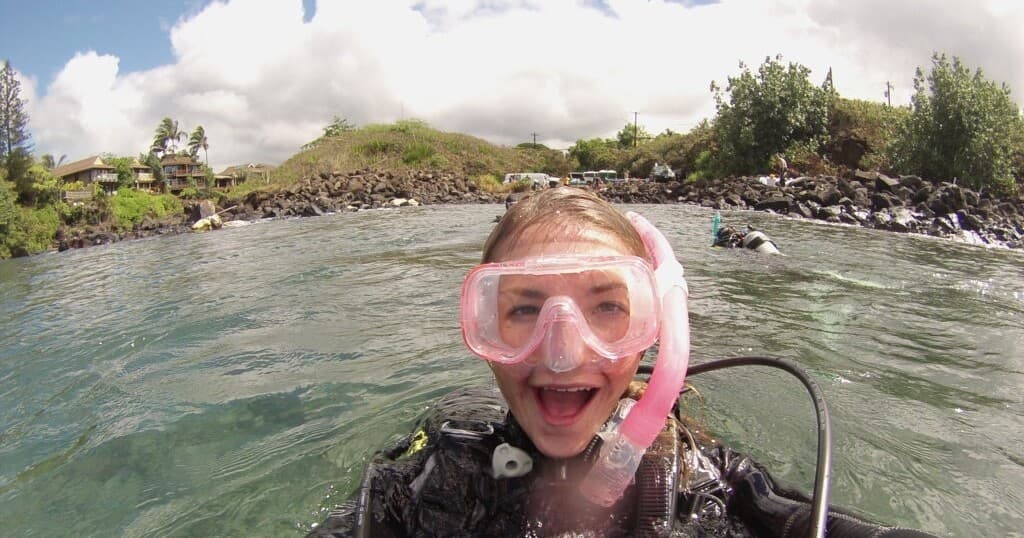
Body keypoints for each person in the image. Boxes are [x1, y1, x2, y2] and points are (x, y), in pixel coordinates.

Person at [309, 188, 935, 537]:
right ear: (482, 327)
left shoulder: (697, 477)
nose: (564, 349)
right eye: (525, 310)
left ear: (653, 329)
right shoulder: (428, 480)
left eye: (607, 308)